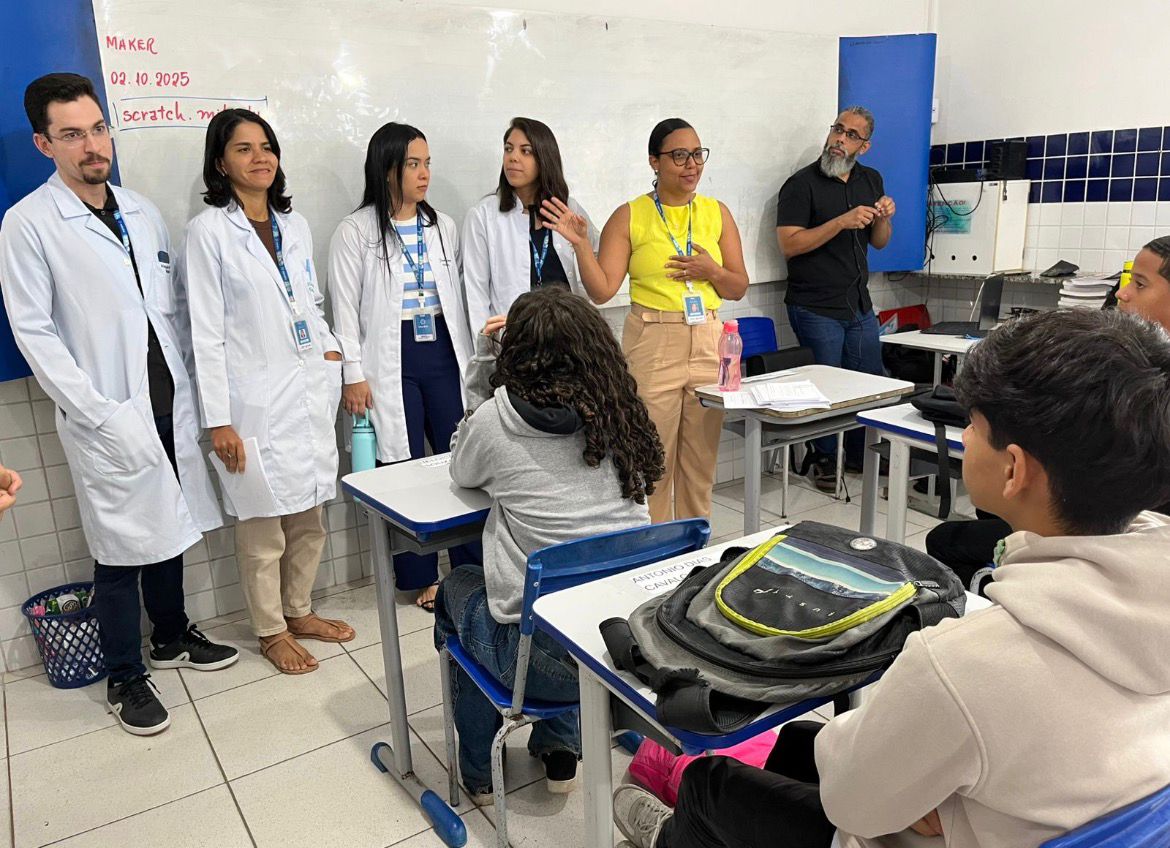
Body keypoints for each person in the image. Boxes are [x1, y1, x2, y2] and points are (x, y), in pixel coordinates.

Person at [611, 308, 1170, 848]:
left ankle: (669, 833)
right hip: (1054, 818)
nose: (965, 438)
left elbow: (851, 806)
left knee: (713, 786)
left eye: (973, 426)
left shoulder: (961, 664)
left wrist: (924, 789)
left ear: (1014, 469)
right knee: (802, 743)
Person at [0, 73, 238, 736]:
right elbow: (34, 333)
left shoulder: (140, 210)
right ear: (45, 144)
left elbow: (166, 312)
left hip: (167, 402)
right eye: (72, 134)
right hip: (106, 413)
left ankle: (171, 636)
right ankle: (124, 676)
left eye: (98, 129)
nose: (92, 145)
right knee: (119, 549)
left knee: (169, 525)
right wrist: (97, 412)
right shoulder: (28, 225)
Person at [434, 286, 663, 802]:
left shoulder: (496, 421)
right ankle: (561, 752)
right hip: (622, 646)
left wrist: (483, 365)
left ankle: (478, 772)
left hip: (539, 665)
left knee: (457, 590)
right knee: (572, 597)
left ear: (514, 355)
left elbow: (461, 468)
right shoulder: (620, 413)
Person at [183, 109, 354, 675]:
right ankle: (270, 629)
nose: (260, 158)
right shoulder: (209, 233)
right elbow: (204, 332)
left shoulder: (294, 224)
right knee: (261, 526)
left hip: (306, 388)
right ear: (220, 162)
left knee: (309, 515)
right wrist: (218, 419)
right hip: (250, 403)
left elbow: (310, 302)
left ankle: (299, 610)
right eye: (243, 148)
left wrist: (330, 352)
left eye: (266, 147)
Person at [926, 234, 1170, 583]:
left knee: (951, 538)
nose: (1122, 293)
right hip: (1106, 521)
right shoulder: (1131, 363)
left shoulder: (1141, 381)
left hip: (1101, 525)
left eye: (1140, 284)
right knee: (989, 510)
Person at [541, 118, 748, 523]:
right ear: (655, 161)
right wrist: (581, 245)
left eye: (697, 154)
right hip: (654, 341)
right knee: (652, 461)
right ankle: (656, 550)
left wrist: (711, 271)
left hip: (709, 341)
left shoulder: (716, 212)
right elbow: (602, 290)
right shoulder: (630, 215)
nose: (692, 165)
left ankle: (696, 547)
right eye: (679, 156)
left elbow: (738, 286)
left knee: (701, 463)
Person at [330, 122, 477, 611]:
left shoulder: (443, 226)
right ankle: (420, 576)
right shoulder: (356, 231)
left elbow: (458, 298)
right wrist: (353, 374)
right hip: (391, 357)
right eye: (413, 164)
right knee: (406, 467)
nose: (424, 173)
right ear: (387, 168)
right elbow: (344, 310)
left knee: (462, 457)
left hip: (443, 351)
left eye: (427, 163)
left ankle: (470, 569)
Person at [775, 106, 895, 492]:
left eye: (851, 135)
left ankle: (860, 454)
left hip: (858, 304)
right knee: (825, 386)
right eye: (838, 130)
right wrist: (841, 222)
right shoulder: (801, 185)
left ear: (865, 146)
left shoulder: (871, 180)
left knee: (868, 381)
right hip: (814, 305)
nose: (840, 139)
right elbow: (789, 245)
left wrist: (884, 218)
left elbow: (879, 242)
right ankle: (824, 457)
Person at [462, 117, 601, 331]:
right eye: (508, 149)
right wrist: (488, 344)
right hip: (516, 338)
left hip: (569, 333)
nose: (513, 157)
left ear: (544, 158)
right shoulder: (483, 216)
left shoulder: (568, 209)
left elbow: (596, 263)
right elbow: (476, 294)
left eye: (525, 151)